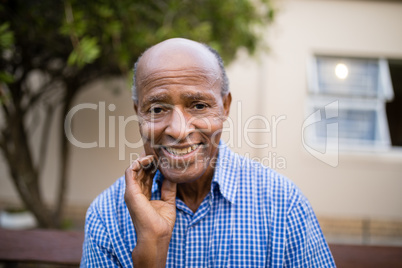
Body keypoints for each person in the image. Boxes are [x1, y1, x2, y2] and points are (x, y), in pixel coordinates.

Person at [81, 38, 335, 267]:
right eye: (157, 109)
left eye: (199, 105)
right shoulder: (107, 214)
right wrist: (150, 256)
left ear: (224, 107)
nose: (179, 130)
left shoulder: (282, 205)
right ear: (139, 113)